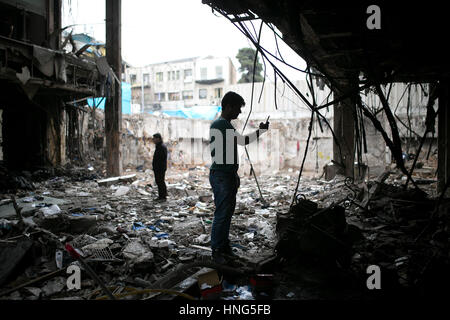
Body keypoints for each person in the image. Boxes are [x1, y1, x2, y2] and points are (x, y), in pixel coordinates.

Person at [209, 91, 270, 264]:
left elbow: (231, 149)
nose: (239, 113)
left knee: (226, 213)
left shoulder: (221, 124)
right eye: (237, 108)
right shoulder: (222, 125)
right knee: (222, 214)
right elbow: (242, 141)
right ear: (228, 106)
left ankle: (222, 246)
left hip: (224, 174)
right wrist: (261, 131)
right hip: (222, 175)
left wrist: (233, 174)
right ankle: (217, 250)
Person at [152, 133, 168, 201]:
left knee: (160, 182)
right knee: (159, 182)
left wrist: (157, 166)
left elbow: (161, 158)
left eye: (154, 138)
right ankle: (161, 196)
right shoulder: (159, 146)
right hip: (158, 168)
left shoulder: (161, 147)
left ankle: (163, 197)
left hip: (160, 168)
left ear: (158, 139)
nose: (153, 140)